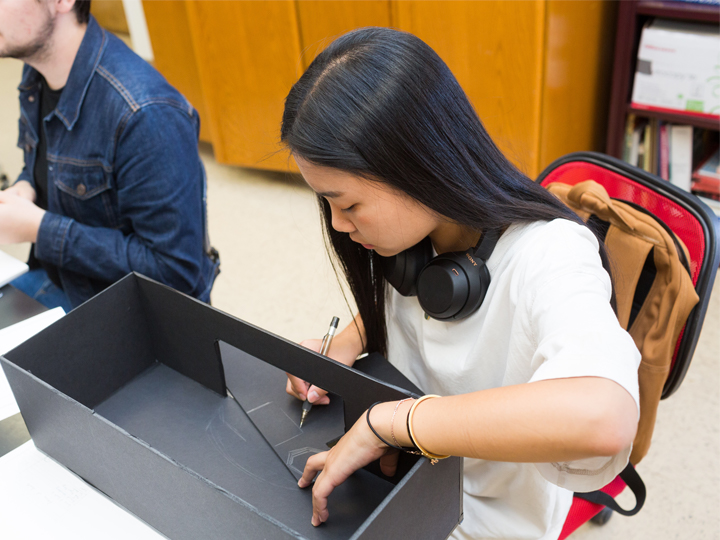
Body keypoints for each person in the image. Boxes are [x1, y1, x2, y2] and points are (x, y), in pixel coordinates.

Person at [282, 28, 640, 540]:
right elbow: (410, 306)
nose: (339, 225)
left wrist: (398, 422)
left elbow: (603, 416)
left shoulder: (552, 254)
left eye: (349, 204)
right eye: (328, 204)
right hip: (406, 475)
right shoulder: (413, 239)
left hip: (486, 512)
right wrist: (346, 342)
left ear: (416, 166)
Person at [0, 0, 218, 310]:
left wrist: (39, 228)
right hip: (65, 281)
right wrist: (27, 186)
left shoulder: (146, 114)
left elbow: (175, 273)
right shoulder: (37, 73)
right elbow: (49, 162)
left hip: (128, 315)